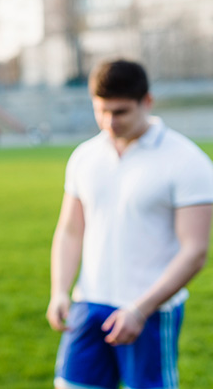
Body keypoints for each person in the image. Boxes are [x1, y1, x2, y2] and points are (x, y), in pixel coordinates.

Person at [46, 59, 213, 389]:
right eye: (101, 110)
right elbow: (70, 230)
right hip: (88, 303)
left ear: (146, 102)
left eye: (120, 112)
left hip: (150, 311)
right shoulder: (85, 156)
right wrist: (60, 290)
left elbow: (195, 251)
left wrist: (141, 309)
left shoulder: (187, 160)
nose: (110, 122)